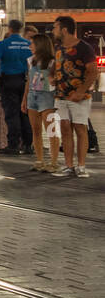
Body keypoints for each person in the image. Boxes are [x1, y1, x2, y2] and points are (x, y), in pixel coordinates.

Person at [51, 15, 99, 177]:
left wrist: (81, 91)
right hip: (61, 96)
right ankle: (69, 165)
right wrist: (52, 77)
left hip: (80, 97)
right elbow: (55, 67)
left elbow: (93, 72)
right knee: (65, 129)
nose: (53, 30)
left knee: (80, 129)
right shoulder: (58, 48)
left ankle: (81, 166)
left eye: (55, 27)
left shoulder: (84, 48)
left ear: (64, 29)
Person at [0, 19, 33, 155]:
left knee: (11, 113)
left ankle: (13, 145)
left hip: (8, 80)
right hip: (25, 80)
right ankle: (27, 145)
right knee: (25, 113)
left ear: (9, 28)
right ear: (21, 29)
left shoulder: (3, 44)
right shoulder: (28, 44)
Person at [22, 33, 57, 171]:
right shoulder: (30, 61)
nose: (30, 46)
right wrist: (25, 98)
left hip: (47, 96)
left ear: (40, 45)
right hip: (33, 96)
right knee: (35, 130)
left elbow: (55, 79)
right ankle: (40, 160)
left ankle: (53, 162)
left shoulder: (52, 62)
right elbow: (29, 81)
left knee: (51, 130)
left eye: (32, 44)